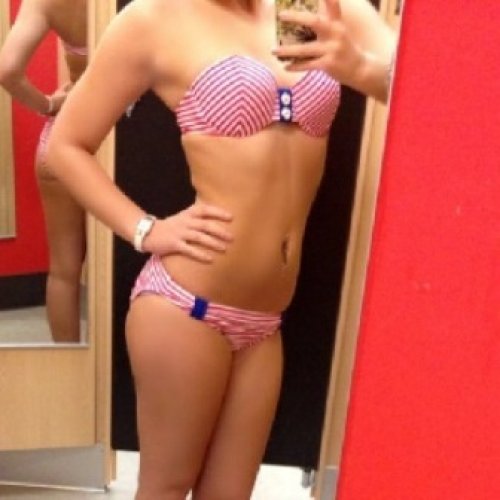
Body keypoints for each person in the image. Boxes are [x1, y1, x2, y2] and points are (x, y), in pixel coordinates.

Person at [47, 0, 396, 497]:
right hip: (186, 307)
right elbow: (66, 144)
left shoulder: (324, 7)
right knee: (166, 488)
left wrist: (358, 68)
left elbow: (429, 92)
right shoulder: (154, 19)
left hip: (264, 323)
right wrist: (144, 229)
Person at [0, 0, 88, 343]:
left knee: (64, 272)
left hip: (63, 137)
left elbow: (7, 70)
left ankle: (68, 367)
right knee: (130, 264)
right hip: (119, 139)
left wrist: (48, 105)